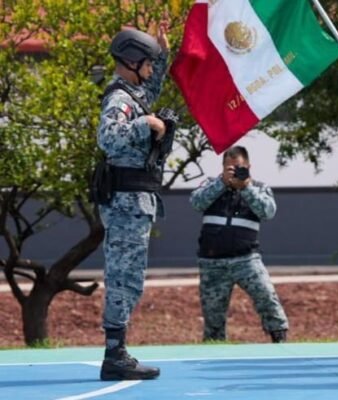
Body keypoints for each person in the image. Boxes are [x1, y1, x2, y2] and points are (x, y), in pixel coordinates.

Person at [96, 25, 170, 381]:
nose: (151, 70)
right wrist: (146, 123)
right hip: (126, 204)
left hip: (134, 203)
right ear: (131, 60)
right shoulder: (119, 100)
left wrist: (164, 55)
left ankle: (117, 352)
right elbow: (108, 137)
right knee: (123, 278)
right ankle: (115, 355)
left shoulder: (133, 94)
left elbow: (150, 91)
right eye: (148, 63)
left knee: (131, 278)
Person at [189, 146, 289, 343]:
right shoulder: (211, 184)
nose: (235, 172)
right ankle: (215, 348)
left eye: (239, 168)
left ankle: (279, 339)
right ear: (223, 167)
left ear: (248, 167)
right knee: (213, 316)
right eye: (230, 168)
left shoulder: (259, 188)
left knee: (267, 297)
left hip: (246, 260)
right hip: (212, 262)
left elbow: (268, 212)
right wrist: (221, 183)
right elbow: (196, 202)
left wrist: (246, 187)